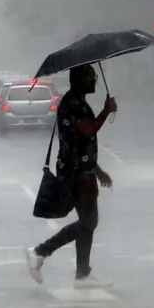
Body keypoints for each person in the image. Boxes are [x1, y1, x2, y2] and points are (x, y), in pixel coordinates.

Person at [26, 64, 117, 288]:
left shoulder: (78, 101)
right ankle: (40, 252)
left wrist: (97, 170)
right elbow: (88, 130)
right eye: (91, 77)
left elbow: (82, 143)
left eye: (95, 77)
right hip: (76, 173)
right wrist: (106, 111)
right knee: (89, 221)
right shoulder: (71, 104)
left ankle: (83, 274)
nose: (95, 80)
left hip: (83, 170)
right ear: (78, 79)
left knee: (89, 221)